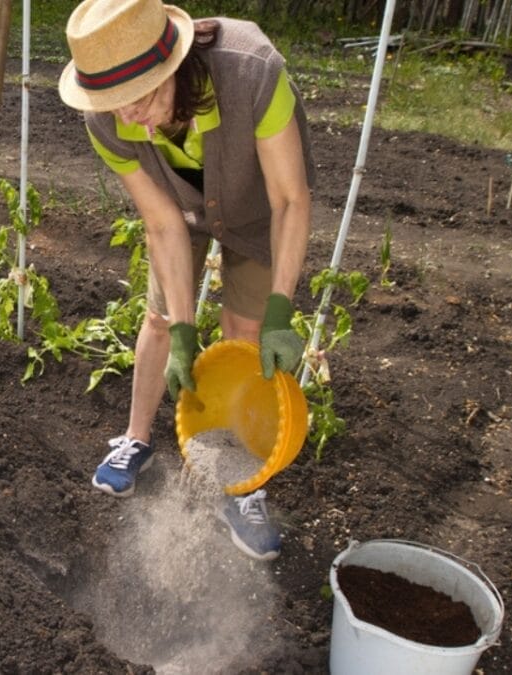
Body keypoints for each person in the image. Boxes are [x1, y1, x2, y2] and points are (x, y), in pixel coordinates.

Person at [58, 0, 314, 561]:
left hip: (258, 211)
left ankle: (240, 484)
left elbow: (291, 199)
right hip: (182, 207)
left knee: (244, 337)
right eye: (114, 109)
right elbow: (162, 223)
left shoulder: (253, 73)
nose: (131, 122)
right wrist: (180, 330)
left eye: (143, 101)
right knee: (159, 319)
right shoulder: (109, 119)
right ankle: (136, 439)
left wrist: (279, 310)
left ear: (174, 68)